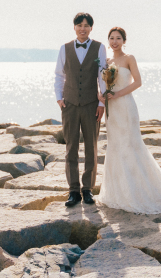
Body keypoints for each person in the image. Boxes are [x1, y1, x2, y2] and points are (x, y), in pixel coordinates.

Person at [96, 27, 161, 214]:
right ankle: (117, 193)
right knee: (115, 145)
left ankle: (139, 192)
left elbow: (137, 82)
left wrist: (117, 94)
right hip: (112, 111)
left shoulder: (129, 58)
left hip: (125, 106)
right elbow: (100, 83)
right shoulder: (106, 61)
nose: (115, 41)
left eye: (118, 38)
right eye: (111, 38)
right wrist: (101, 95)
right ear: (108, 41)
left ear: (124, 41)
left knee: (130, 145)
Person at [54, 12, 106, 207]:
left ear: (91, 28)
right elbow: (59, 75)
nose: (83, 28)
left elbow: (103, 76)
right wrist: (59, 99)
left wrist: (102, 104)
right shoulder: (64, 48)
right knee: (71, 148)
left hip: (92, 104)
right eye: (79, 25)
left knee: (92, 148)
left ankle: (88, 189)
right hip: (70, 105)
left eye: (86, 25)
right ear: (74, 27)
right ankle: (73, 191)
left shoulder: (99, 48)